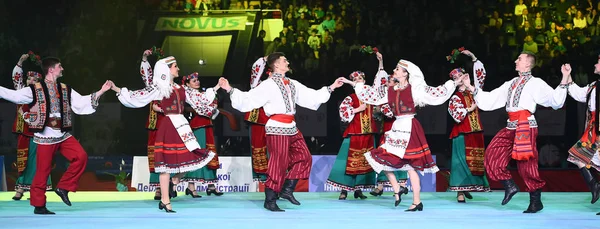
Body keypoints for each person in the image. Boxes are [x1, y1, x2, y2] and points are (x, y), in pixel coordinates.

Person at [219, 52, 345, 212]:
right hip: (276, 127)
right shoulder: (268, 84)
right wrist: (229, 89)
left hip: (291, 126)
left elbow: (311, 96)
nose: (287, 62)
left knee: (304, 157)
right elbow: (248, 99)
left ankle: (286, 189)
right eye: (284, 60)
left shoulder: (292, 83)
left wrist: (332, 87)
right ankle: (270, 198)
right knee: (278, 163)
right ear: (276, 65)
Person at [342, 53, 463, 211]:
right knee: (379, 157)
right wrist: (353, 83)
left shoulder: (415, 90)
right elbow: (370, 93)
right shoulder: (389, 90)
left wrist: (454, 83)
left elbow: (437, 93)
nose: (394, 70)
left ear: (406, 73)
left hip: (410, 127)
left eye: (398, 69)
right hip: (397, 128)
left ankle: (416, 201)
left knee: (411, 166)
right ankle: (398, 189)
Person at [0, 56, 112, 214]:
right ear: (51, 69)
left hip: (62, 134)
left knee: (81, 156)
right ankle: (39, 205)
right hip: (45, 137)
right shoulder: (35, 88)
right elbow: (14, 96)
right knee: (42, 171)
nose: (62, 69)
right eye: (60, 66)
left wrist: (101, 91)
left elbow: (81, 102)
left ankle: (64, 187)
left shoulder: (65, 88)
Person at [463, 52, 570, 213]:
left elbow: (555, 101)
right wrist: (470, 86)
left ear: (528, 64)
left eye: (519, 59)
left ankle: (535, 200)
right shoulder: (511, 82)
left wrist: (564, 78)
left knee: (527, 165)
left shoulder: (536, 83)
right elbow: (490, 99)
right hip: (511, 125)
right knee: (492, 155)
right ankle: (510, 185)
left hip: (526, 126)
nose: (515, 60)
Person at [111, 56, 217, 213]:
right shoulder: (160, 88)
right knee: (165, 166)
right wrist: (117, 90)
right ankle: (165, 201)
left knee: (193, 156)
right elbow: (139, 96)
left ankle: (175, 181)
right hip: (168, 126)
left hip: (182, 126)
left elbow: (199, 99)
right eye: (175, 66)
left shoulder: (182, 89)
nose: (178, 69)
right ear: (167, 70)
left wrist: (216, 88)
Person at [446, 49, 490, 202]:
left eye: (463, 76)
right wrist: (468, 109)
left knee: (475, 162)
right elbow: (456, 115)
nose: (462, 79)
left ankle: (468, 187)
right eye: (459, 78)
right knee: (460, 162)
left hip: (476, 131)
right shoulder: (455, 97)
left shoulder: (474, 92)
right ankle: (460, 191)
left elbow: (481, 76)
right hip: (462, 134)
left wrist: (473, 57)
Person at [326, 71, 377, 200]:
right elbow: (343, 113)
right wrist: (356, 110)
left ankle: (358, 189)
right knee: (348, 163)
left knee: (364, 163)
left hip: (368, 134)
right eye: (357, 79)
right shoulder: (351, 98)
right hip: (354, 133)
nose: (359, 80)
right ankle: (344, 190)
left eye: (361, 78)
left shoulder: (372, 97)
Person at [11, 53, 52, 200]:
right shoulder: (21, 91)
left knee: (37, 161)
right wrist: (21, 61)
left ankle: (36, 190)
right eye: (29, 78)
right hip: (24, 131)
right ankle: (21, 188)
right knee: (23, 160)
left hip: (38, 132)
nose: (31, 81)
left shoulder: (42, 95)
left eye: (34, 79)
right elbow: (16, 78)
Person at [565, 56, 600, 215]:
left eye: (598, 62)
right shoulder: (594, 85)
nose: (595, 64)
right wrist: (568, 75)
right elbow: (579, 94)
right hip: (593, 129)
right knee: (577, 156)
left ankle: (595, 185)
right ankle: (594, 185)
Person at [181, 72, 224, 197]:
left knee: (210, 153)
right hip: (198, 125)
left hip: (207, 124)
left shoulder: (201, 94)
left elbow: (211, 105)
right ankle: (191, 186)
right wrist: (216, 87)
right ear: (188, 84)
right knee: (198, 155)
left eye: (198, 80)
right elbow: (205, 103)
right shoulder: (190, 94)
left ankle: (211, 186)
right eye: (194, 81)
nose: (197, 82)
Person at [245, 56, 271, 183]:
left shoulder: (282, 83)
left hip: (276, 120)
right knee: (259, 145)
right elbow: (256, 69)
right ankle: (267, 179)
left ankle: (277, 179)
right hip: (259, 119)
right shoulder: (257, 84)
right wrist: (264, 59)